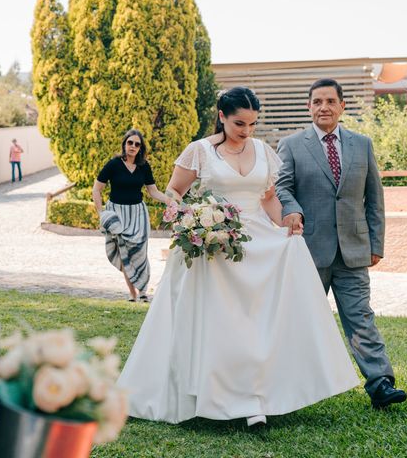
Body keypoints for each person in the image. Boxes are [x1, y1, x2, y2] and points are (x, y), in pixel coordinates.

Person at [117, 87, 359, 427]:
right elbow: (174, 192)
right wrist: (194, 220)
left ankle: (256, 398)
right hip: (213, 248)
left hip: (257, 241)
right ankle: (222, 397)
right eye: (239, 124)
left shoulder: (262, 150)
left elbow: (269, 199)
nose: (246, 131)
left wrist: (285, 219)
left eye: (252, 124)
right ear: (221, 116)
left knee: (255, 324)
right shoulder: (199, 151)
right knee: (222, 324)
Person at [275, 78, 407, 409]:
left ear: (342, 106)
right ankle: (279, 385)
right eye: (317, 101)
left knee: (361, 317)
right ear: (309, 107)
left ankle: (380, 383)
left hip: (353, 250)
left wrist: (376, 242)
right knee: (299, 319)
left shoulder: (362, 144)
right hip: (308, 249)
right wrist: (292, 209)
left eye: (330, 101)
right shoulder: (291, 145)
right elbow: (283, 188)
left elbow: (374, 198)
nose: (324, 107)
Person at [93, 129, 171, 302]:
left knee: (141, 254)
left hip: (138, 215)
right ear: (124, 144)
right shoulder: (113, 164)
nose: (133, 146)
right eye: (130, 142)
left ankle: (143, 290)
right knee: (124, 254)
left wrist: (169, 201)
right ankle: (133, 294)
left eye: (137, 144)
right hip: (117, 215)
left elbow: (153, 191)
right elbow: (96, 189)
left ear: (140, 147)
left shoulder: (144, 166)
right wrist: (102, 214)